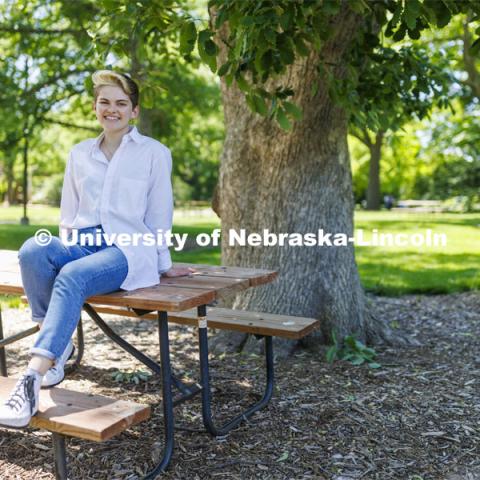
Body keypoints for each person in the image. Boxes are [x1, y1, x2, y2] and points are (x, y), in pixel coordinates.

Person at [0, 70, 193, 428]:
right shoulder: (79, 153)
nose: (112, 109)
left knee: (71, 276)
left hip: (128, 250)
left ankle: (31, 377)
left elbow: (159, 211)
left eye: (121, 103)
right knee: (32, 249)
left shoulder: (154, 153)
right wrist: (61, 249)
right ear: (95, 107)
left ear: (134, 111)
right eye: (105, 102)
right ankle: (58, 351)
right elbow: (69, 212)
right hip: (84, 245)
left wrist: (163, 262)